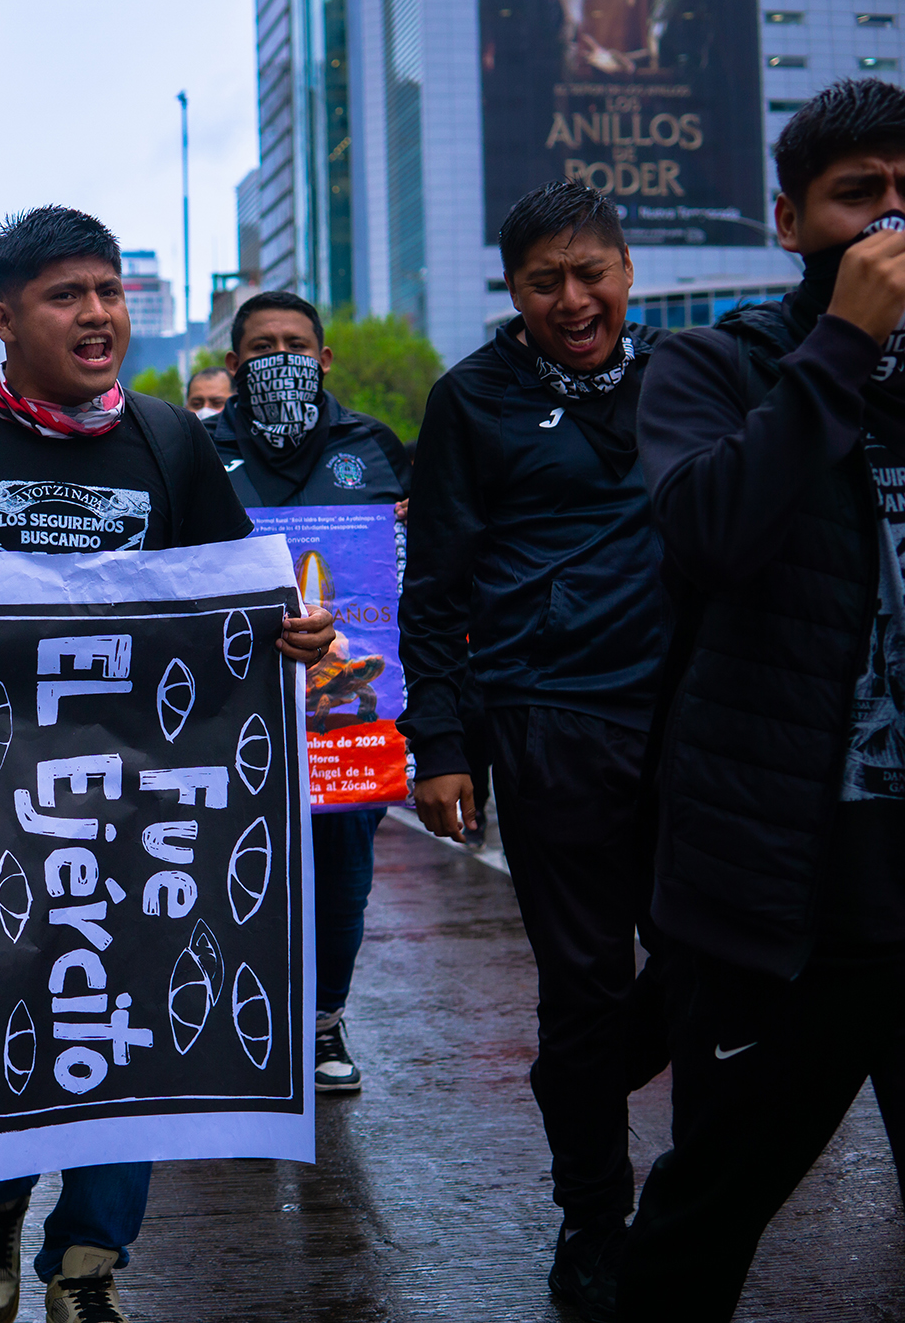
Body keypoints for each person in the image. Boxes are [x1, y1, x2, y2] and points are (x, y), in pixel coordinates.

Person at [0, 206, 336, 1323]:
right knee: (15, 1011)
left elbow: (241, 608)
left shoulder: (168, 441)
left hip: (150, 796)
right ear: (4, 318)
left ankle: (87, 1261)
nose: (98, 313)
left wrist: (295, 637)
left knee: (140, 1014)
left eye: (108, 291)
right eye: (67, 295)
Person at [617, 78, 905, 1322]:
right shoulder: (708, 369)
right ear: (790, 225)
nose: (892, 220)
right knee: (704, 1215)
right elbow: (708, 535)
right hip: (785, 896)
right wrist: (839, 348)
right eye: (860, 197)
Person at [399, 179, 671, 1320]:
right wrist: (441, 744)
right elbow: (434, 587)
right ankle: (592, 1219)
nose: (572, 299)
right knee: (582, 980)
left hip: (692, 716)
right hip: (546, 717)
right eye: (542, 281)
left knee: (725, 958)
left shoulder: (687, 375)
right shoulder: (472, 399)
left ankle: (596, 1093)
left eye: (589, 273)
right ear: (509, 290)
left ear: (626, 271)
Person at [213, 288, 412, 1094]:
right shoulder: (197, 453)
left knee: (342, 874)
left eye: (296, 344)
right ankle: (240, 1020)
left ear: (324, 359)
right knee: (234, 868)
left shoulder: (374, 447)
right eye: (262, 347)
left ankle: (325, 1020)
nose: (280, 358)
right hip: (233, 707)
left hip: (344, 713)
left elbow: (405, 571)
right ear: (234, 366)